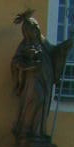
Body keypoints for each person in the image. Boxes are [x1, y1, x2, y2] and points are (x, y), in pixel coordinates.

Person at [11, 10, 74, 138]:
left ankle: (38, 133)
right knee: (37, 99)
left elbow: (55, 52)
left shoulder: (43, 42)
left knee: (44, 102)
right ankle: (26, 130)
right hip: (33, 79)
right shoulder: (25, 45)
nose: (36, 29)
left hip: (46, 79)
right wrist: (27, 65)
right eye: (33, 27)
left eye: (36, 26)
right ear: (27, 31)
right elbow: (15, 62)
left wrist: (67, 45)